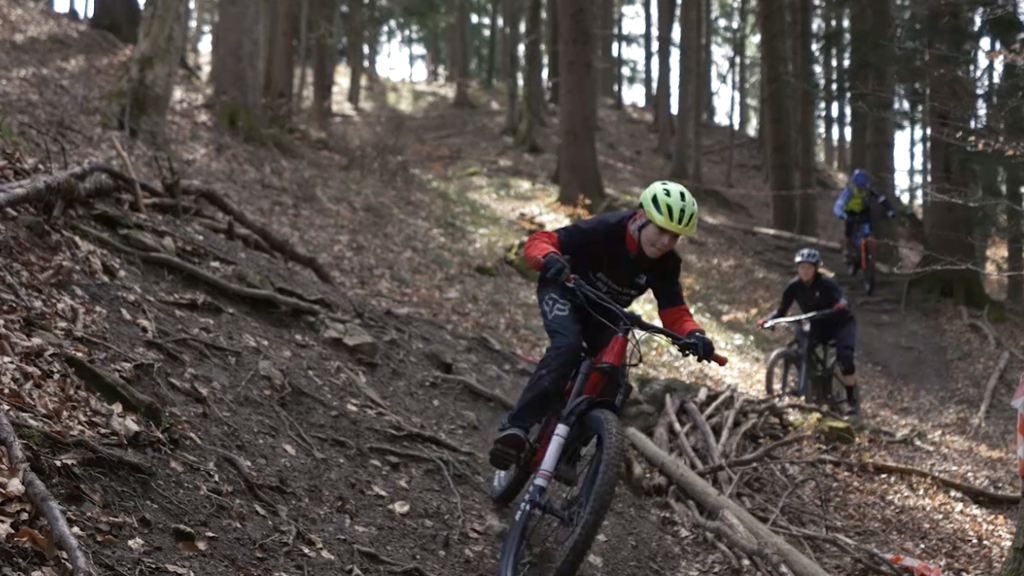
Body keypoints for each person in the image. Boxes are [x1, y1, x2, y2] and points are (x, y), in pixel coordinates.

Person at [489, 181, 718, 470]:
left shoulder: (667, 263)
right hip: (564, 290)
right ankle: (517, 427)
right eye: (661, 230)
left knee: (614, 383)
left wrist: (694, 334)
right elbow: (541, 240)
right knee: (567, 347)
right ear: (640, 217)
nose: (664, 243)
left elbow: (674, 310)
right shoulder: (607, 228)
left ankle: (568, 452)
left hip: (605, 310)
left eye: (675, 237)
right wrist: (548, 259)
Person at [757, 248, 861, 418]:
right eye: (802, 267)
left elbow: (842, 299)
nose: (805, 271)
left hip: (840, 323)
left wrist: (840, 305)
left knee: (845, 357)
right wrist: (768, 320)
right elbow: (782, 310)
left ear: (816, 268)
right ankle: (812, 389)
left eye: (809, 268)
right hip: (815, 322)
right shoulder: (794, 286)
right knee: (804, 347)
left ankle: (851, 401)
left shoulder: (826, 283)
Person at [833, 169, 895, 275]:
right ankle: (848, 252)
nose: (861, 189)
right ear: (855, 184)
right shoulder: (849, 191)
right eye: (859, 186)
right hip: (850, 213)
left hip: (863, 213)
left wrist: (889, 210)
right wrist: (841, 214)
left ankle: (869, 254)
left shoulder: (868, 190)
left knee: (867, 233)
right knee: (849, 232)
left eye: (863, 186)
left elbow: (881, 198)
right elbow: (838, 205)